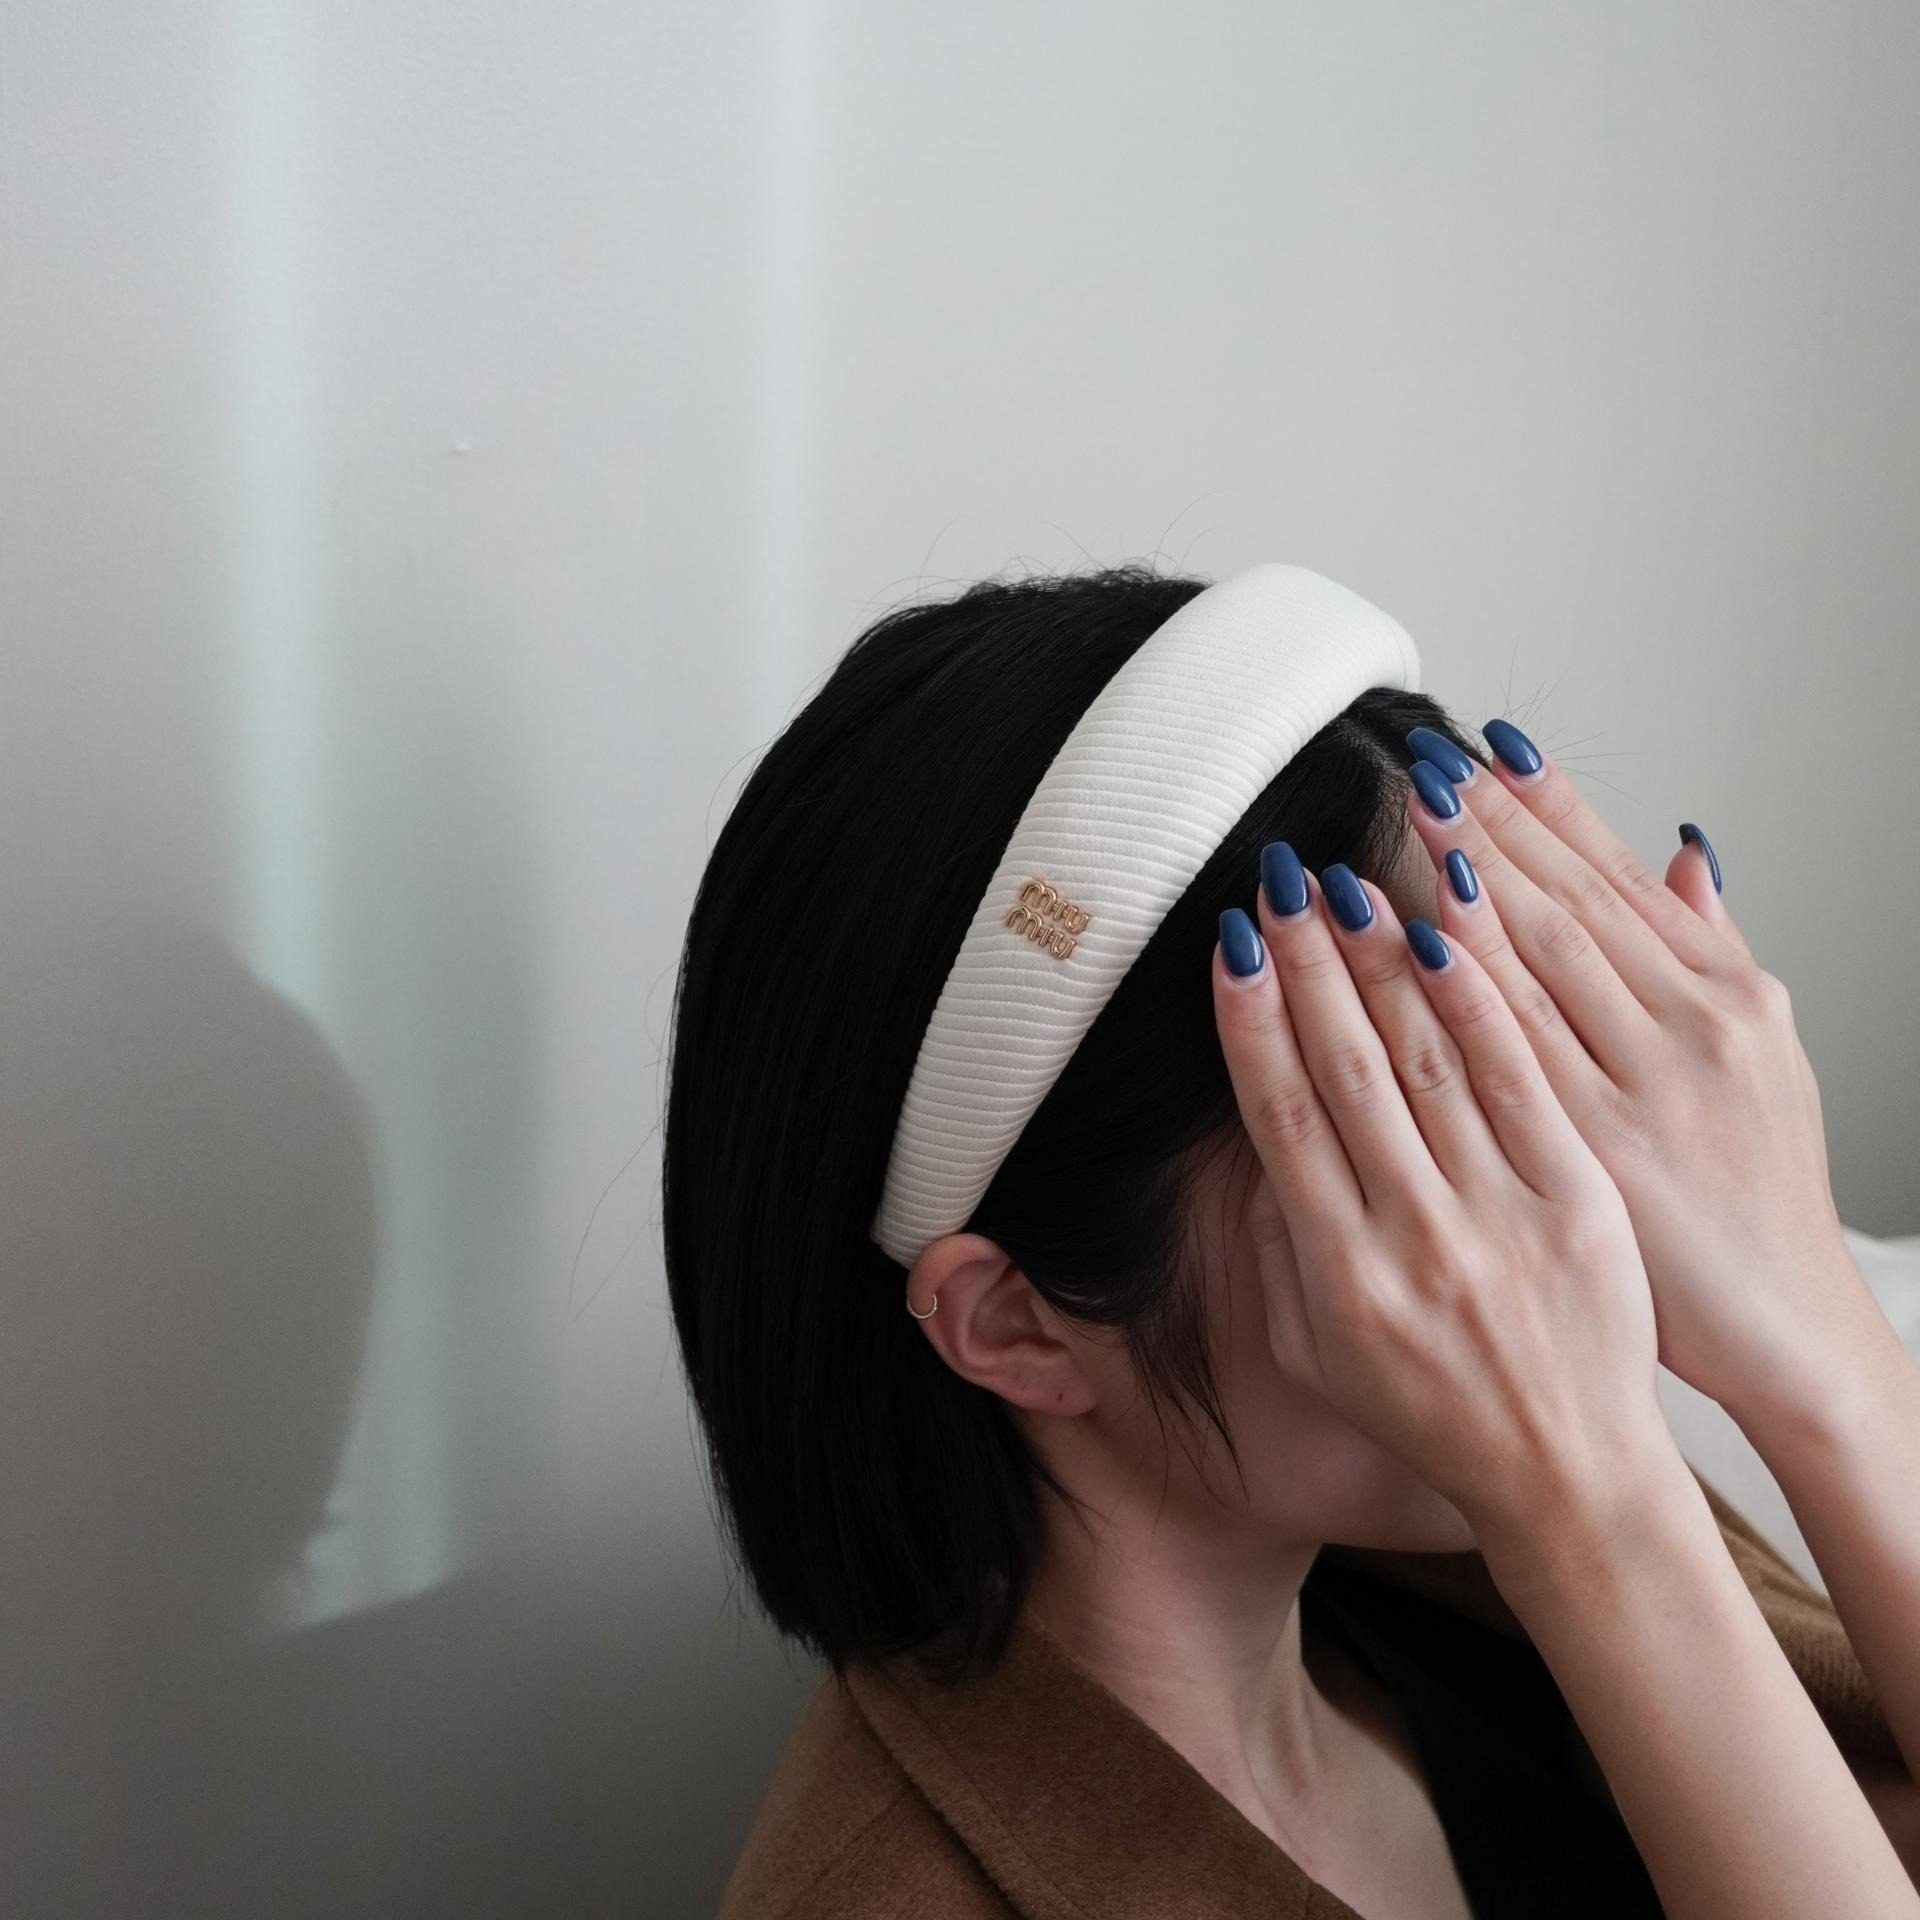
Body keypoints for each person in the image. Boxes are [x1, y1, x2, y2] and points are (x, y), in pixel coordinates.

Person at [663, 562, 1920, 1917]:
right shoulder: (1563, 1486)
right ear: (1018, 1324)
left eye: (1518, 1066)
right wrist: (1596, 1509)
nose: (1574, 1224)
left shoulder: (1483, 1562)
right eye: (1405, 1152)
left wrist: (1825, 1357)